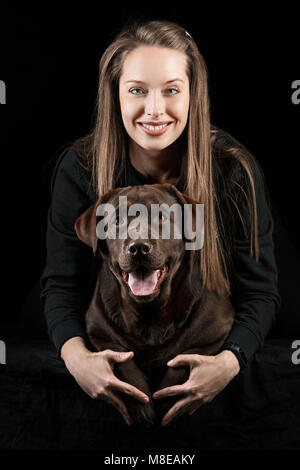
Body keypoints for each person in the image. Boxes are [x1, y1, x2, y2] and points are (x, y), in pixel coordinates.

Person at [40, 20, 280, 427]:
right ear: (114, 95)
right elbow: (61, 284)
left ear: (193, 96)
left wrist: (231, 359)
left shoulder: (232, 170)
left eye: (171, 90)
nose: (154, 110)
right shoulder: (80, 168)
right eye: (137, 90)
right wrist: (76, 357)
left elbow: (261, 291)